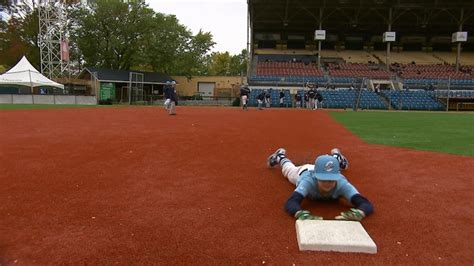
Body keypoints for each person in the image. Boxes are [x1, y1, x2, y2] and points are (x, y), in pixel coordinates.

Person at [267, 148, 374, 221]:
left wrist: (360, 213)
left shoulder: (341, 183)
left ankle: (337, 156)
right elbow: (291, 202)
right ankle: (280, 156)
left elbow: (365, 203)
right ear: (316, 177)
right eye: (323, 179)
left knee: (331, 164)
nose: (327, 183)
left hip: (320, 170)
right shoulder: (308, 181)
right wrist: (299, 213)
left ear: (337, 177)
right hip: (303, 171)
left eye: (331, 179)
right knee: (288, 170)